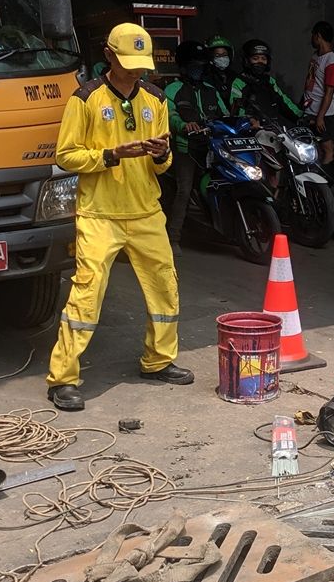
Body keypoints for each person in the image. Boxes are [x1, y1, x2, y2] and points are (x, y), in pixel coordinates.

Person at [46, 22, 193, 412]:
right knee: (86, 293)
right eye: (127, 63)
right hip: (100, 214)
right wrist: (112, 154)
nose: (135, 72)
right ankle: (63, 379)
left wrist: (161, 154)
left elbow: (164, 166)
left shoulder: (157, 100)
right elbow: (66, 155)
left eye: (140, 65)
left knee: (165, 287)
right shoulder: (85, 99)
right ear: (108, 56)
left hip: (146, 211)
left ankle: (158, 361)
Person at [163, 40, 228, 253]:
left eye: (201, 66)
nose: (198, 70)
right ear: (183, 67)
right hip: (186, 149)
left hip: (214, 147)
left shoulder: (211, 90)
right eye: (194, 66)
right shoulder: (173, 89)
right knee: (184, 189)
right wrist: (183, 125)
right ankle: (173, 238)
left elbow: (226, 115)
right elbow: (170, 115)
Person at [229, 38, 302, 123]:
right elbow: (237, 110)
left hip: (275, 125)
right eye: (255, 58)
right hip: (254, 128)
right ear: (247, 61)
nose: (260, 62)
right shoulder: (239, 82)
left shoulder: (269, 80)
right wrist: (249, 121)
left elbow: (284, 101)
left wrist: (301, 115)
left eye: (263, 59)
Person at [301, 21, 334, 141]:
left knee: (327, 148)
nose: (311, 39)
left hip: (323, 115)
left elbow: (329, 92)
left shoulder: (331, 62)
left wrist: (320, 117)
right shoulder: (315, 56)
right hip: (309, 110)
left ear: (318, 36)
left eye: (313, 35)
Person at [205, 34, 236, 109]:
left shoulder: (235, 77)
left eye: (224, 54)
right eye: (217, 55)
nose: (222, 58)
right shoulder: (205, 77)